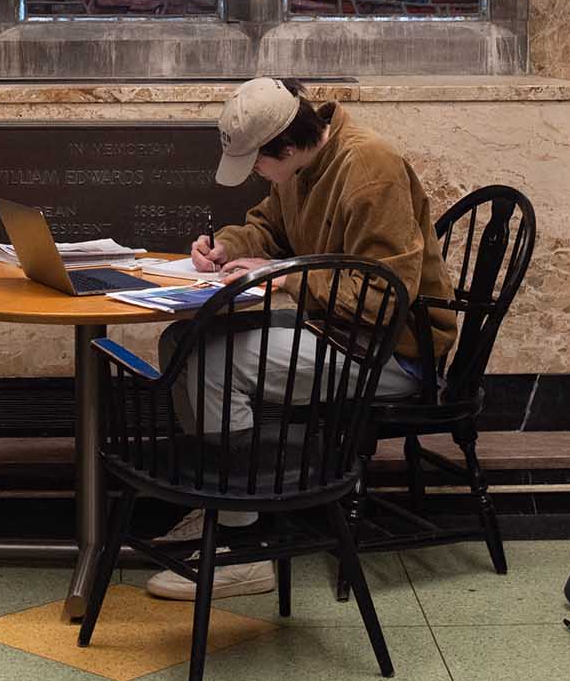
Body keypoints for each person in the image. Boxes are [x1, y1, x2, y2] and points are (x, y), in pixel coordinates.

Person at [143, 76, 459, 601]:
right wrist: (226, 247)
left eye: (258, 163)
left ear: (286, 147)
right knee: (182, 342)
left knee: (213, 364)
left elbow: (385, 300)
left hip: (394, 352)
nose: (256, 173)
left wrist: (286, 278)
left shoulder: (369, 168)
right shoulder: (302, 165)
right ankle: (224, 503)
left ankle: (245, 549)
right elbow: (267, 229)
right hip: (336, 330)